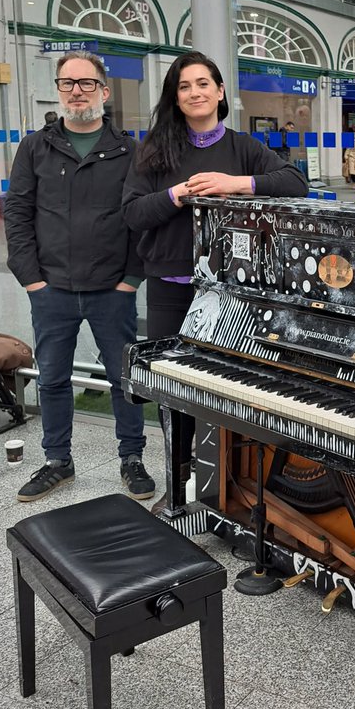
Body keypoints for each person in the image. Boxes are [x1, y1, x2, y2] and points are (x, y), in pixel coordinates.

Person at [122, 52, 308, 511]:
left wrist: (237, 184)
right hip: (170, 288)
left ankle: (229, 487)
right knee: (174, 389)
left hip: (230, 295)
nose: (195, 93)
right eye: (185, 87)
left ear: (221, 92)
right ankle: (177, 478)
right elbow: (132, 213)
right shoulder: (154, 151)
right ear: (175, 97)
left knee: (228, 389)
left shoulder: (243, 148)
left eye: (203, 84)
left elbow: (295, 183)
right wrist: (176, 194)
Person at [5, 53, 152, 503]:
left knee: (123, 379)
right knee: (51, 378)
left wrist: (132, 277)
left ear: (104, 93)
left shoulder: (130, 152)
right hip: (53, 290)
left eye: (87, 83)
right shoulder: (36, 147)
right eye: (67, 83)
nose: (76, 91)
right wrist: (31, 279)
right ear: (58, 90)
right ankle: (57, 462)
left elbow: (143, 218)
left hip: (113, 290)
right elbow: (17, 213)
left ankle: (132, 458)